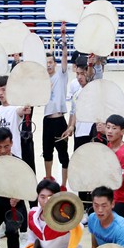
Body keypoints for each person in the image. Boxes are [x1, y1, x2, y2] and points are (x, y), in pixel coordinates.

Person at [43, 23, 71, 190]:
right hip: (47, 120)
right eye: (46, 62)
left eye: (50, 62)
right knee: (47, 153)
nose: (48, 65)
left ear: (55, 63)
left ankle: (63, 185)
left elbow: (65, 55)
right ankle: (48, 179)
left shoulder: (61, 75)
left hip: (59, 120)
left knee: (63, 154)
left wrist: (63, 37)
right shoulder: (41, 79)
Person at [0, 75, 29, 159]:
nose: (0, 93)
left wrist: (24, 110)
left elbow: (19, 111)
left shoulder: (16, 107)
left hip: (13, 154)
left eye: (3, 90)